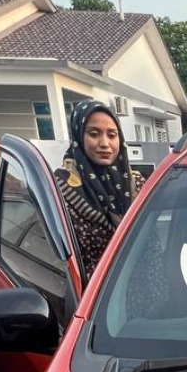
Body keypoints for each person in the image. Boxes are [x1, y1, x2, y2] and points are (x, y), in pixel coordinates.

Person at [55, 99, 143, 277]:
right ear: (79, 136)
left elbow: (152, 246)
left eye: (112, 135)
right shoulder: (59, 189)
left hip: (143, 283)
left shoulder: (137, 184)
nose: (104, 143)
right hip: (92, 289)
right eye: (94, 134)